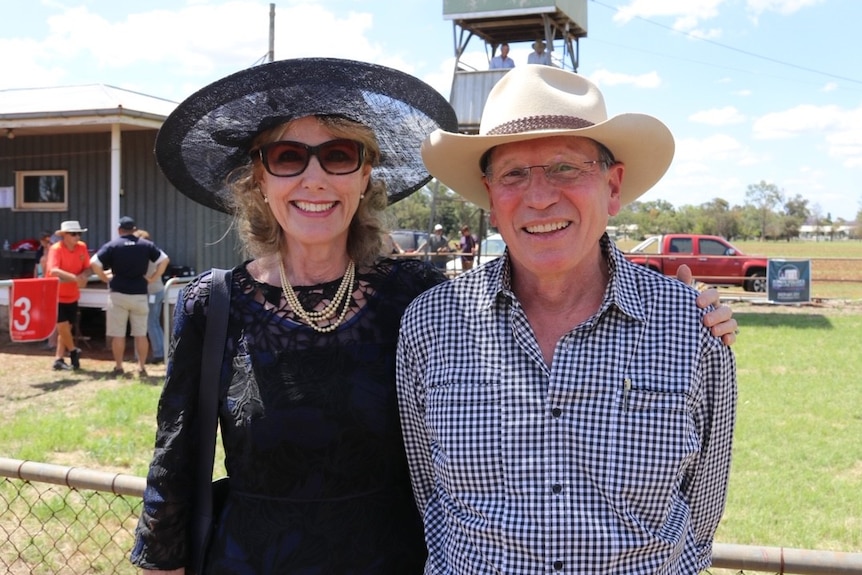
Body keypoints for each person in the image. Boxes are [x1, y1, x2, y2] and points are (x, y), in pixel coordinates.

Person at [130, 58, 735, 574]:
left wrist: (688, 307)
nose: (314, 177)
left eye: (338, 155)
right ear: (260, 178)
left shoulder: (415, 299)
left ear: (366, 176)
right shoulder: (226, 304)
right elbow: (176, 459)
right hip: (254, 558)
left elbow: (700, 516)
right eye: (288, 157)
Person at [398, 65, 738, 574]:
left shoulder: (691, 328)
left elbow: (701, 512)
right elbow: (429, 496)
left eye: (564, 168)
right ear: (491, 197)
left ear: (613, 185)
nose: (539, 197)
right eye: (514, 174)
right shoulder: (431, 325)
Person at [90, 216, 168, 378]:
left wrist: (104, 278)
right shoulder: (145, 245)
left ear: (119, 229)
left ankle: (119, 366)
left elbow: (94, 262)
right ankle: (141, 367)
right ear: (134, 229)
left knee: (118, 334)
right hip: (139, 293)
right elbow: (164, 260)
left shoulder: (113, 245)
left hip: (118, 293)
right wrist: (153, 278)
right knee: (140, 333)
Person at [44, 220, 90, 371]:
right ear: (64, 235)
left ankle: (59, 358)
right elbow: (53, 270)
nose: (77, 237)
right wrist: (75, 278)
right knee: (62, 325)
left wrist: (83, 276)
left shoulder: (82, 247)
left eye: (79, 234)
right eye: (73, 234)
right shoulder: (56, 249)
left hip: (72, 294)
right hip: (55, 294)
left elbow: (88, 268)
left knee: (66, 328)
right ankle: (73, 351)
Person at [133, 229, 171, 364]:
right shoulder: (152, 251)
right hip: (156, 290)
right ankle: (162, 351)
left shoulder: (147, 252)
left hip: (153, 291)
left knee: (151, 323)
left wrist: (152, 278)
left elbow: (166, 260)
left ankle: (160, 352)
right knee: (153, 322)